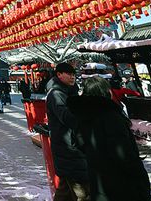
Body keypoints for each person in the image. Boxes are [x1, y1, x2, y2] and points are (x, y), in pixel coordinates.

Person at [68, 77, 151, 201]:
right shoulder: (111, 116)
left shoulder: (81, 115)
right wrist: (140, 179)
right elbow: (124, 154)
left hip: (98, 180)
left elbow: (78, 143)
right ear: (105, 92)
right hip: (122, 182)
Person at [46, 63, 89, 201]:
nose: (72, 77)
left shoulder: (68, 92)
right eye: (69, 74)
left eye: (74, 74)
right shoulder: (57, 94)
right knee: (81, 191)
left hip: (68, 146)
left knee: (65, 190)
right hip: (68, 147)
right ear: (59, 74)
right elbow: (67, 117)